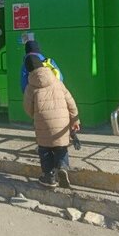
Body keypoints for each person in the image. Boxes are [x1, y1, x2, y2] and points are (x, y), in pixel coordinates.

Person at [23, 55, 80, 188]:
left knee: (44, 150)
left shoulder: (30, 87)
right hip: (62, 122)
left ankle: (49, 177)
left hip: (42, 122)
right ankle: (62, 167)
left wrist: (36, 116)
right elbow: (71, 102)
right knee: (61, 147)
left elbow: (27, 108)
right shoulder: (57, 81)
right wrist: (75, 119)